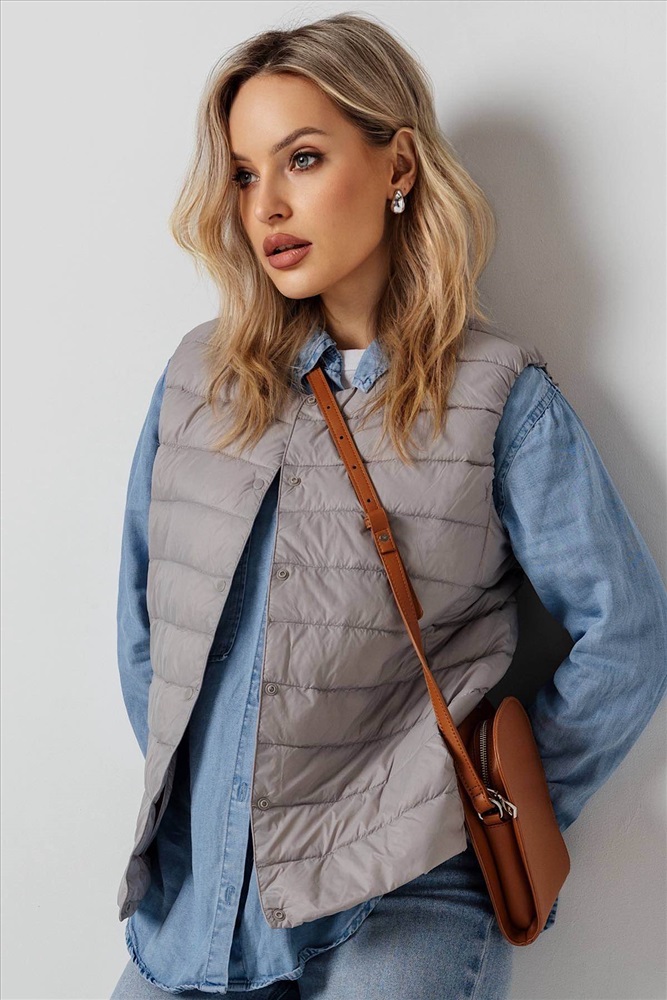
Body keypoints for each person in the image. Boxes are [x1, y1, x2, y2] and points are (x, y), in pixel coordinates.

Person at [110, 12, 667, 1000]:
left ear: (397, 164)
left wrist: (486, 810)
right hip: (203, 904)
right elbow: (145, 630)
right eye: (242, 173)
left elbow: (623, 634)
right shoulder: (200, 380)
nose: (267, 205)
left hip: (405, 902)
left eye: (303, 158)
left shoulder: (496, 398)